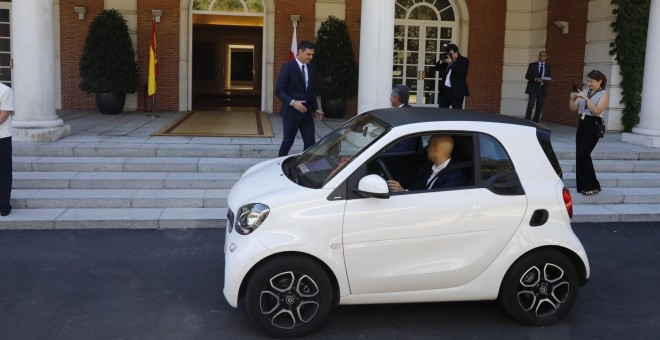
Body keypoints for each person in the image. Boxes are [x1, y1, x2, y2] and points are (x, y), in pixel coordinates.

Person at [276, 40, 324, 157]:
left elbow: (310, 92)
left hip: (306, 115)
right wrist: (293, 102)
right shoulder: (287, 67)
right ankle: (277, 165)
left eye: (312, 54)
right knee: (288, 142)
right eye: (308, 54)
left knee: (310, 144)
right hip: (291, 113)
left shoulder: (311, 68)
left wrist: (315, 109)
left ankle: (306, 169)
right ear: (300, 52)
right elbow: (279, 91)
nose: (311, 57)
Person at [569, 70, 610, 196]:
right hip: (582, 123)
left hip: (594, 124)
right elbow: (573, 108)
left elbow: (597, 111)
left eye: (591, 81)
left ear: (599, 82)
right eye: (588, 81)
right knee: (580, 155)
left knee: (583, 153)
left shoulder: (604, 94)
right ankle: (583, 186)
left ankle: (592, 185)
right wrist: (572, 98)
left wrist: (586, 99)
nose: (589, 83)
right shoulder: (584, 91)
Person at [387, 134, 467, 192]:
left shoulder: (454, 177)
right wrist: (404, 191)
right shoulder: (430, 165)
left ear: (436, 149)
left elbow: (435, 203)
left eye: (428, 145)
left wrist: (403, 192)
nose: (426, 149)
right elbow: (418, 186)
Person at [435, 44, 470, 109]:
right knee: (442, 112)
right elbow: (437, 68)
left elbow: (462, 71)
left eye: (451, 54)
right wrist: (441, 60)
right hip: (445, 91)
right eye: (448, 53)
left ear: (456, 52)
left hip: (456, 91)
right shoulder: (447, 60)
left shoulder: (464, 60)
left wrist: (451, 63)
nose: (449, 55)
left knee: (456, 114)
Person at [386, 84, 419, 153]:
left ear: (396, 98)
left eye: (391, 95)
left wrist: (384, 151)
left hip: (402, 155)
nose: (390, 98)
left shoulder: (403, 115)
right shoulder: (408, 110)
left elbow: (404, 146)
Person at [525, 51, 552, 122]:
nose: (542, 57)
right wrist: (536, 79)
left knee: (539, 106)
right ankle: (527, 121)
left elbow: (549, 76)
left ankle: (535, 122)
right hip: (533, 88)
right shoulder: (532, 65)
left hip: (542, 88)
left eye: (544, 55)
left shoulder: (548, 66)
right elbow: (527, 76)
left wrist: (547, 80)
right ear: (539, 56)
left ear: (546, 57)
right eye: (541, 55)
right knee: (531, 105)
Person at [0, 82, 14, 216]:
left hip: (1, 138)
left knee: (3, 172)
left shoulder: (5, 90)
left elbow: (4, 114)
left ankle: (4, 206)